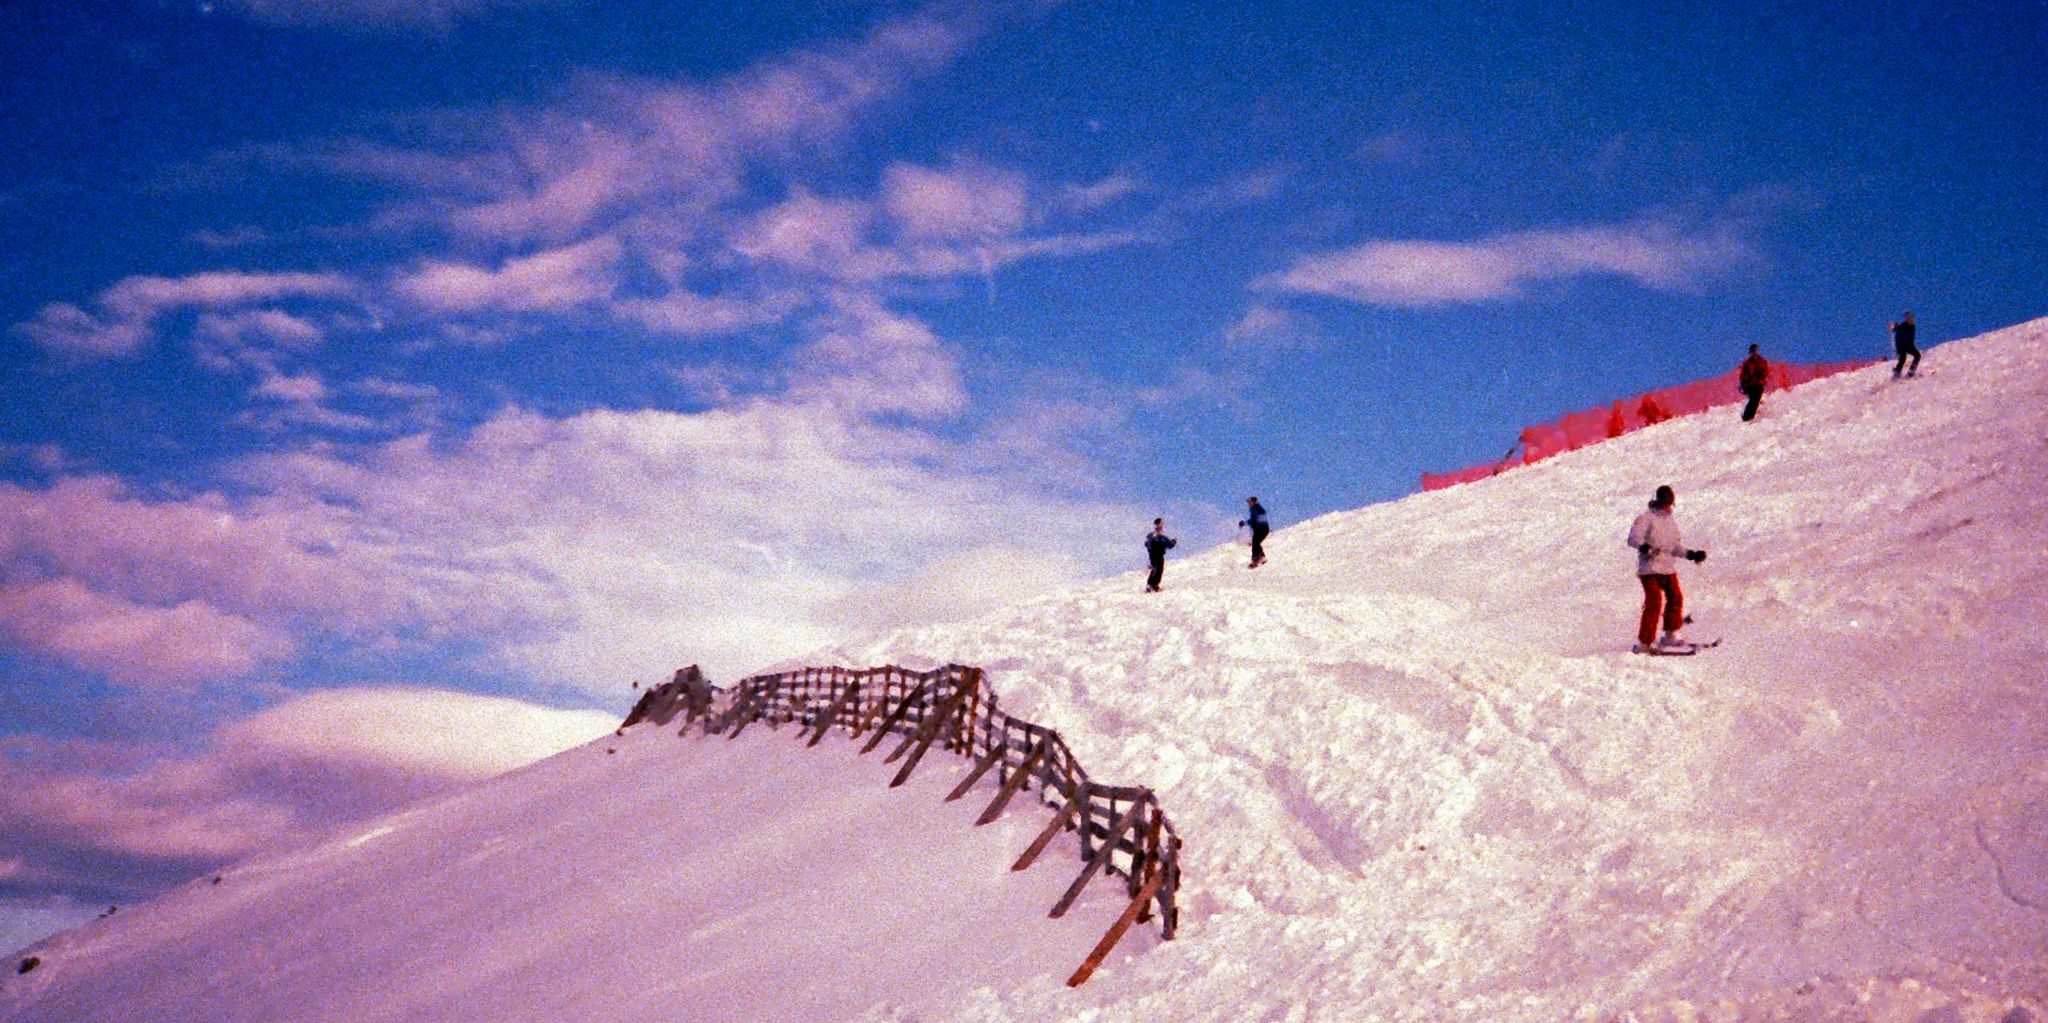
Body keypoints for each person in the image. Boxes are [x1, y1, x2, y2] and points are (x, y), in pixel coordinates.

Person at [1625, 484, 1707, 653]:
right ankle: (1645, 642)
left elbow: (1674, 547)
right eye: (1665, 503)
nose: (1668, 506)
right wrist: (1644, 547)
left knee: (1676, 597)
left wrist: (1691, 554)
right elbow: (1633, 538)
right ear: (1658, 501)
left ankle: (1671, 633)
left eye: (1670, 503)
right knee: (1654, 601)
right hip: (1650, 567)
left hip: (1668, 567)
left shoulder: (1670, 522)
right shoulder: (1646, 518)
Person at [1738, 344, 1770, 422]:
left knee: (1755, 399)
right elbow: (1743, 375)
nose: (1754, 353)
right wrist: (1743, 385)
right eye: (1752, 351)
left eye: (1755, 351)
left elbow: (1766, 372)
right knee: (1753, 399)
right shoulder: (1747, 363)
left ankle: (1750, 416)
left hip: (1758, 384)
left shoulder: (1762, 361)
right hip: (1750, 385)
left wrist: (1763, 379)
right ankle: (1747, 417)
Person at [1143, 518, 1177, 592]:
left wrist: (1173, 542)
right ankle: (1150, 584)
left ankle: (1155, 585)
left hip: (1160, 554)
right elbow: (1147, 543)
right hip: (1154, 554)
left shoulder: (1162, 535)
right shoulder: (1153, 535)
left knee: (1160, 569)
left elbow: (1168, 544)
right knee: (1155, 568)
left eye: (1162, 523)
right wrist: (1151, 548)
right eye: (1160, 523)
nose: (1162, 525)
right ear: (1157, 524)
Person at [1240, 497, 1269, 568]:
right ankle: (1262, 557)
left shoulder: (1255, 508)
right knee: (1256, 542)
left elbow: (1254, 520)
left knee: (1255, 542)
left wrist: (1244, 523)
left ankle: (1255, 560)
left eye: (1249, 502)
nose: (1248, 504)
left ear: (1254, 502)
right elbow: (1258, 519)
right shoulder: (1259, 508)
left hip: (1260, 528)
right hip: (1263, 528)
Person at [1891, 311, 1920, 378]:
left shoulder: (1911, 326)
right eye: (1909, 317)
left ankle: (1899, 372)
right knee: (1914, 356)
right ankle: (1906, 372)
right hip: (1904, 345)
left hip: (1904, 345)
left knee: (1904, 358)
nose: (1911, 319)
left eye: (1911, 317)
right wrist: (1894, 326)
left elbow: (1911, 337)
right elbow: (1897, 330)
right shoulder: (1905, 325)